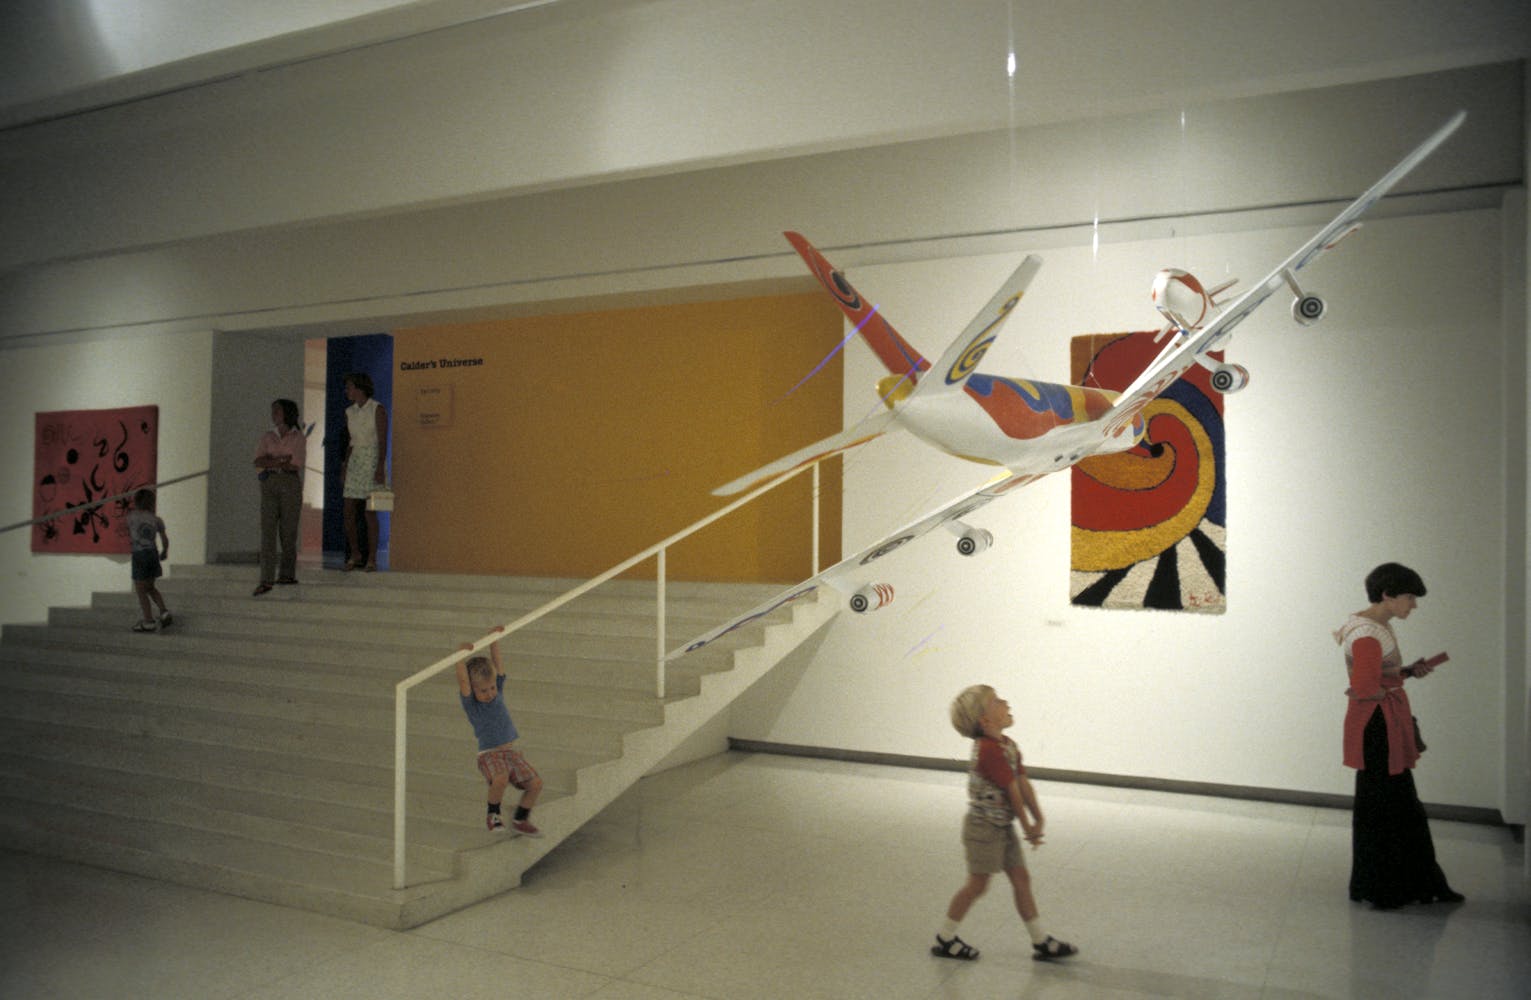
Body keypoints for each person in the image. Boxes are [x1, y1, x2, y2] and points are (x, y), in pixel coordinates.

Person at [1337, 562, 1463, 909]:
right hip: (1378, 726)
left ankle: (1390, 884)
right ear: (1387, 595)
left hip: (1378, 722)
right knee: (1390, 806)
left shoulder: (1373, 627)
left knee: (1391, 805)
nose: (1413, 605)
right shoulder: (1367, 633)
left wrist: (1404, 673)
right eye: (1409, 597)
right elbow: (1365, 687)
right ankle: (1388, 887)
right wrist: (1392, 688)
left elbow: (1374, 678)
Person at [933, 684, 1077, 963]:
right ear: (984, 720)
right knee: (978, 885)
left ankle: (1040, 940)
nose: (1005, 702)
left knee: (1021, 879)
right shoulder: (989, 751)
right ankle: (945, 937)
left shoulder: (1008, 746)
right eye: (996, 701)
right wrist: (1028, 826)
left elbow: (1022, 782)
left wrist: (1039, 818)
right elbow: (1012, 791)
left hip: (1002, 826)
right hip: (983, 829)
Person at [456, 629, 543, 837]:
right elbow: (463, 681)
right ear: (474, 691)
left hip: (510, 753)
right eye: (483, 690)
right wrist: (459, 657)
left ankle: (521, 818)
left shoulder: (499, 692)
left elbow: (498, 664)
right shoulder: (472, 705)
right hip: (490, 754)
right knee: (501, 778)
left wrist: (494, 639)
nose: (489, 694)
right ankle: (493, 814)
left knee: (536, 784)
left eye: (492, 688)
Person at [252, 398, 306, 597]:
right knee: (268, 530)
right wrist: (279, 460)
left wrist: (271, 460)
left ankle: (287, 574)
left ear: (287, 413)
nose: (273, 414)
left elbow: (295, 463)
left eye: (277, 410)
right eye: (272, 410)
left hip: (290, 482)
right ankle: (266, 578)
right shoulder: (268, 436)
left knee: (288, 530)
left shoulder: (298, 437)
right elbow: (258, 460)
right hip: (270, 482)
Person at [341, 372, 387, 571]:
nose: (347, 391)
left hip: (372, 459)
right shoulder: (349, 411)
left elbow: (382, 440)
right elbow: (351, 442)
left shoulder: (377, 409)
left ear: (360, 388)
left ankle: (372, 558)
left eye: (349, 387)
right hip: (355, 459)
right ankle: (355, 553)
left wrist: (380, 467)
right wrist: (344, 466)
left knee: (369, 512)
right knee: (348, 511)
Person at [126, 488, 172, 633]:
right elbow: (164, 539)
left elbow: (125, 529)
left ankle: (148, 620)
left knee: (140, 590)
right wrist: (165, 551)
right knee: (150, 587)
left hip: (140, 555)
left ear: (136, 502)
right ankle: (163, 611)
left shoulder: (132, 517)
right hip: (153, 553)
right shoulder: (156, 519)